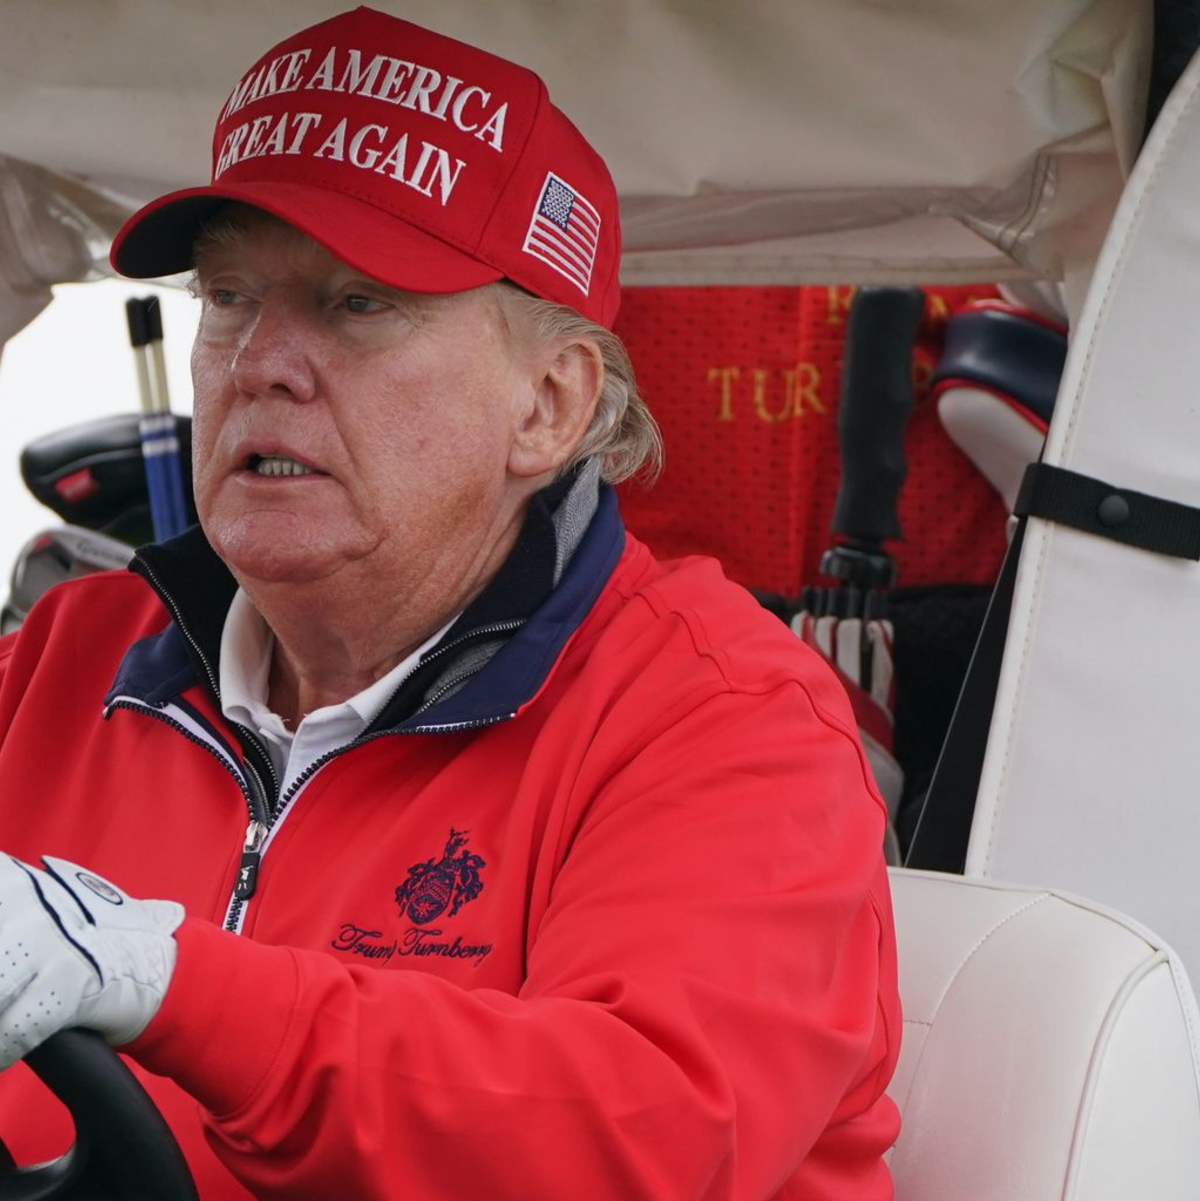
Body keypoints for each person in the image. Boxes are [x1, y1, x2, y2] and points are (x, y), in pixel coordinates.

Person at [0, 8, 900, 1198]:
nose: (260, 362)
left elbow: (638, 1137)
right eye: (229, 295)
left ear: (549, 405)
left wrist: (162, 981)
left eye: (357, 304)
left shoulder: (725, 715)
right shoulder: (68, 655)